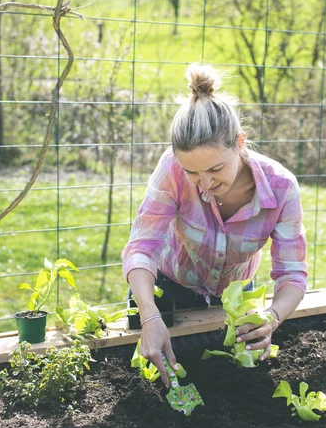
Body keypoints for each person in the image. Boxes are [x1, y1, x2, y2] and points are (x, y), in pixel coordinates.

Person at [122, 63, 307, 386]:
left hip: (233, 300)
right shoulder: (171, 170)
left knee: (232, 390)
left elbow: (292, 273)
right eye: (192, 172)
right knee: (157, 387)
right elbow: (142, 247)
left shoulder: (281, 188)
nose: (204, 183)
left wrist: (272, 317)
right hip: (168, 294)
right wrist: (149, 314)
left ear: (239, 142)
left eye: (215, 169)